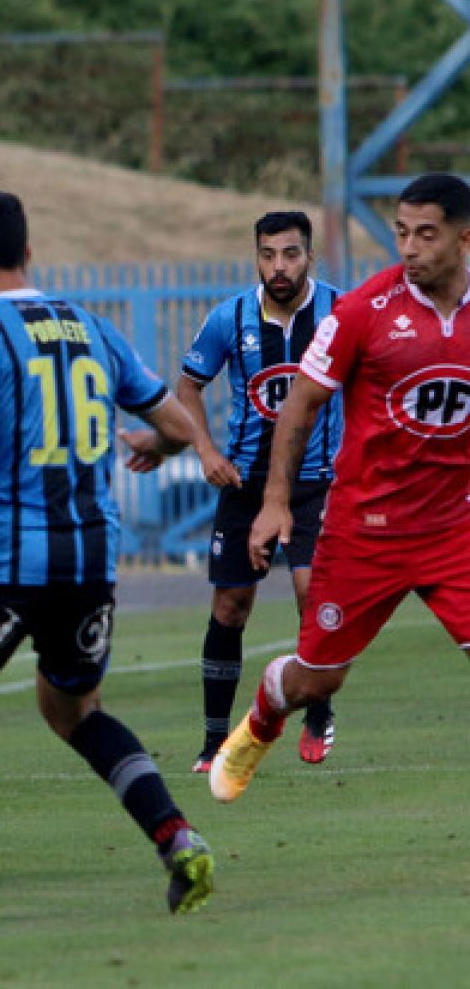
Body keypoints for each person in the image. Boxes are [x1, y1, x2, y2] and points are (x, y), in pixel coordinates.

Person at [0, 189, 214, 927]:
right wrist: (163, 444)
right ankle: (177, 836)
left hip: (3, 561)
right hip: (90, 560)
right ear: (27, 251)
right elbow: (178, 422)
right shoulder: (94, 327)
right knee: (75, 710)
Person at [210, 173, 470, 803]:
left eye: (425, 235)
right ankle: (266, 713)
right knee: (317, 682)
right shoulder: (362, 311)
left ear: (465, 237)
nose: (408, 248)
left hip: (455, 531)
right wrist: (274, 502)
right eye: (402, 233)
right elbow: (299, 405)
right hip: (365, 531)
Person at [177, 211, 342, 773]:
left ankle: (318, 713)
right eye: (268, 255)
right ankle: (215, 740)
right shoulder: (230, 318)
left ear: (309, 258)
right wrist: (205, 449)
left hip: (317, 483)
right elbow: (187, 388)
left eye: (290, 254)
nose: (279, 266)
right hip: (245, 484)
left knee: (309, 593)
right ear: (257, 258)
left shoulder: (339, 314)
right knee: (231, 606)